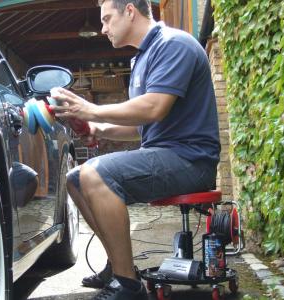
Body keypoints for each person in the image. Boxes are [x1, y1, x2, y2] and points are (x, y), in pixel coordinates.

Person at [50, 0, 220, 299]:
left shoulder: (173, 44)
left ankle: (128, 285)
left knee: (93, 175)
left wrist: (91, 109)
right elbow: (142, 125)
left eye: (106, 19)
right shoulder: (140, 59)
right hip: (165, 155)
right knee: (75, 179)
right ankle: (119, 265)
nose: (102, 29)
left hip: (192, 160)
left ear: (129, 10)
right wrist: (95, 127)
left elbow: (152, 108)